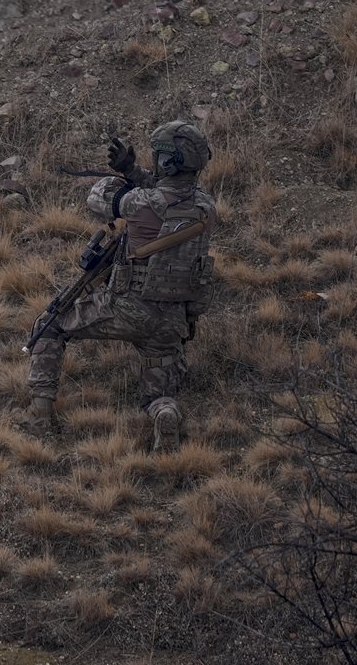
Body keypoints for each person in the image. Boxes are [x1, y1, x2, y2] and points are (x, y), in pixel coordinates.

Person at [23, 121, 217, 450]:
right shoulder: (205, 206)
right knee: (159, 392)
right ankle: (163, 413)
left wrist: (122, 175)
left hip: (126, 308)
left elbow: (98, 197)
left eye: (158, 156)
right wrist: (134, 170)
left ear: (169, 162)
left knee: (50, 325)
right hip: (171, 321)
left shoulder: (137, 203)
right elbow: (167, 194)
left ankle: (39, 418)